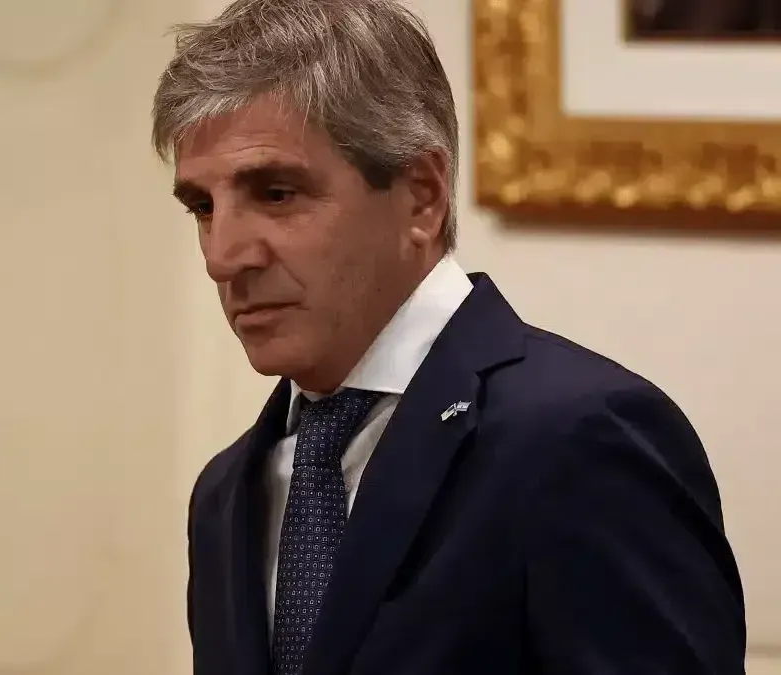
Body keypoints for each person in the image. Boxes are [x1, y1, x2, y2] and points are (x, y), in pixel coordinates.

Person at [150, 0, 747, 673]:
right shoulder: (226, 494)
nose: (223, 256)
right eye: (203, 206)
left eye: (277, 193)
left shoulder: (581, 439)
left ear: (422, 196)